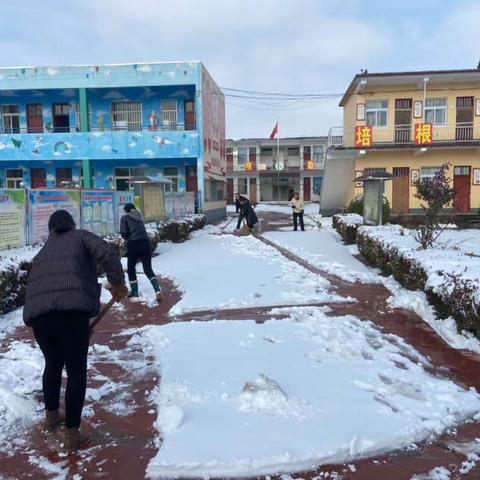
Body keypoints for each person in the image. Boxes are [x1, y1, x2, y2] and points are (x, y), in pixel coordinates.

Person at [23, 210, 127, 454]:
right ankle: (72, 434)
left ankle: (51, 418)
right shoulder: (81, 237)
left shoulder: (42, 252)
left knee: (53, 363)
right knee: (77, 371)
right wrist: (118, 283)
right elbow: (107, 253)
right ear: (71, 225)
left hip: (40, 318)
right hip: (72, 313)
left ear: (51, 229)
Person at [120, 203, 162, 301]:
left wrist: (128, 239)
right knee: (148, 269)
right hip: (145, 243)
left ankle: (134, 292)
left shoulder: (125, 218)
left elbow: (124, 232)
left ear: (127, 211)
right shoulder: (139, 216)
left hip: (134, 244)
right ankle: (157, 290)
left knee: (131, 269)